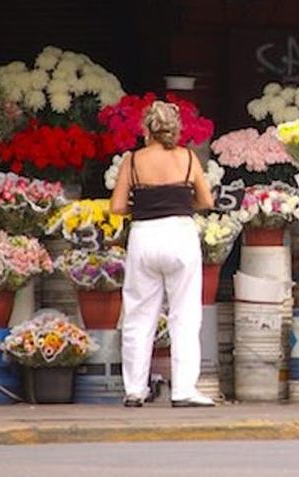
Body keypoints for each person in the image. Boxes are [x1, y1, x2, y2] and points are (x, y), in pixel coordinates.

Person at [110, 100, 216, 408]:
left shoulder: (132, 160)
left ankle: (134, 389)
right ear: (175, 129)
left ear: (146, 129)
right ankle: (183, 390)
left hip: (144, 236)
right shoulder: (188, 157)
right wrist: (179, 203)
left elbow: (117, 206)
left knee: (138, 315)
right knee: (185, 315)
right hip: (180, 235)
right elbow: (206, 201)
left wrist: (144, 205)